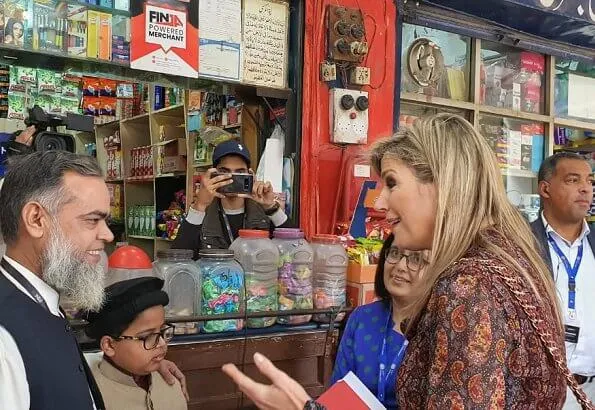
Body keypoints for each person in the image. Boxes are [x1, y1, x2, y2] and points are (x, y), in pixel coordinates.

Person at [221, 114, 594, 409]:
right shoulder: (512, 259)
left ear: (441, 184)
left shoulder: (470, 287)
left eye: (392, 183)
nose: (380, 203)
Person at [0, 151, 187, 410]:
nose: (108, 235)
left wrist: (144, 361)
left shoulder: (39, 300)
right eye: (92, 220)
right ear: (36, 219)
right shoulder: (4, 340)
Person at [329, 234, 427, 409]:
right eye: (395, 253)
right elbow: (339, 391)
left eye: (416, 259)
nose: (400, 266)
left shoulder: (438, 328)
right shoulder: (362, 318)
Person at [531, 152, 595, 409]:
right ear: (545, 189)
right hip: (540, 389)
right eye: (572, 180)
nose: (585, 188)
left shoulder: (593, 244)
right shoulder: (523, 243)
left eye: (589, 181)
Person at [84, 277, 187, 410]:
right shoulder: (91, 397)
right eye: (146, 337)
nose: (161, 344)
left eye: (162, 332)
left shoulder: (170, 381)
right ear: (109, 345)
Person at [172, 139, 289, 256]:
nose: (232, 179)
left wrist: (271, 207)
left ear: (250, 174)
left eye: (239, 172)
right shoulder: (202, 213)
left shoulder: (263, 213)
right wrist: (200, 206)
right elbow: (177, 258)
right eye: (224, 172)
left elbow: (293, 247)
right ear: (213, 175)